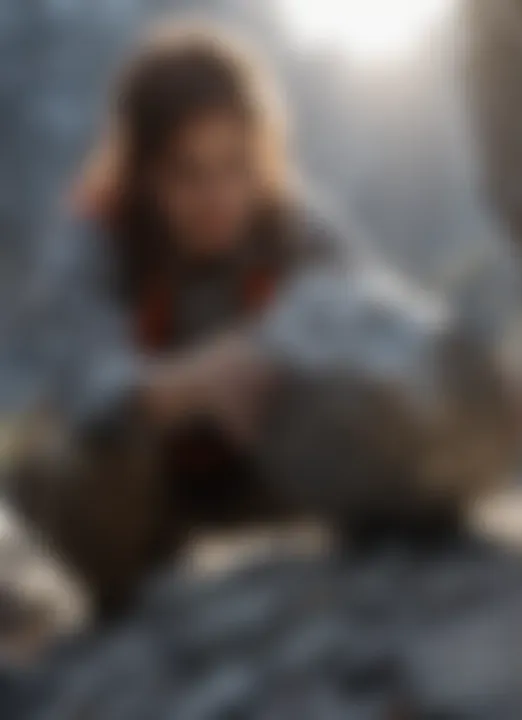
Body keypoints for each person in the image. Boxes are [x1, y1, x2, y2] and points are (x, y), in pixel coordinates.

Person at [12, 22, 355, 616]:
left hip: (269, 468)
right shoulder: (94, 238)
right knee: (67, 459)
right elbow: (82, 381)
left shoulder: (288, 219)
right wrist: (193, 384)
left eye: (235, 166)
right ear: (143, 174)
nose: (218, 197)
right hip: (148, 494)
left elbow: (377, 313)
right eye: (188, 174)